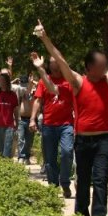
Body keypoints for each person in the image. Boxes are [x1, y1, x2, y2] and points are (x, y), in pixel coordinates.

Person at [34, 20, 108, 216]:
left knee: (100, 179)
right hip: (82, 140)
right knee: (83, 180)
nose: (105, 68)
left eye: (105, 65)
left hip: (103, 141)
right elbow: (59, 58)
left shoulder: (107, 81)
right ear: (89, 67)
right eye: (100, 65)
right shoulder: (77, 82)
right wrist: (44, 37)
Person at [30, 52, 75, 198]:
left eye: (56, 61)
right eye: (51, 62)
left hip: (66, 124)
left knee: (67, 152)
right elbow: (37, 100)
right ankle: (53, 186)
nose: (54, 64)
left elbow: (76, 102)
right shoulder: (44, 81)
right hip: (49, 125)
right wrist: (32, 119)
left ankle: (65, 182)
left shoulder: (69, 80)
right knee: (49, 159)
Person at [15, 75, 36, 164]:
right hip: (21, 119)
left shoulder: (34, 92)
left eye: (25, 83)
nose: (23, 86)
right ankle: (21, 156)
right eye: (22, 83)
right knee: (21, 139)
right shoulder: (19, 92)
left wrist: (32, 83)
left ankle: (27, 156)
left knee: (29, 140)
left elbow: (29, 92)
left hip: (31, 119)